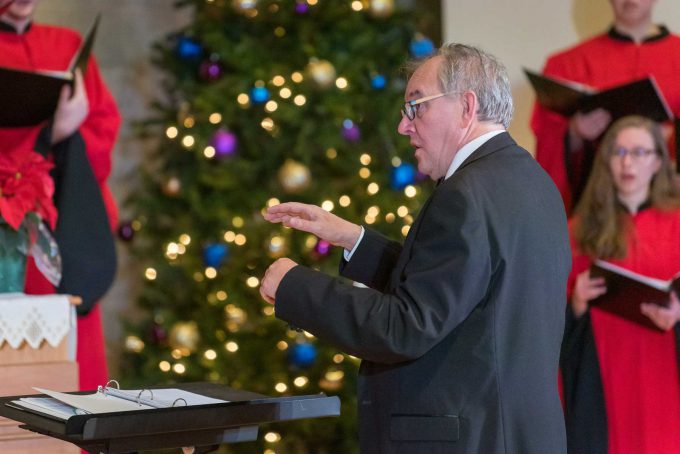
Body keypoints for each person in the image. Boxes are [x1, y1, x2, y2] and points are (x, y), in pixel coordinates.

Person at [260, 43, 571, 453]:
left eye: (416, 106)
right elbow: (460, 287)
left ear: (467, 106)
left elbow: (405, 328)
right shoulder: (530, 180)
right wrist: (355, 240)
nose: (403, 127)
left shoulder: (466, 194)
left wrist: (294, 286)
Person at [0, 0, 120, 391]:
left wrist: (70, 135)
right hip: (11, 240)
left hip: (68, 232)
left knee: (80, 383)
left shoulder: (65, 43)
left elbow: (103, 128)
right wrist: (52, 134)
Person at [561, 115, 680, 454]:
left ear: (658, 160)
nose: (628, 162)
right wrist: (576, 303)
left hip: (664, 362)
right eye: (619, 152)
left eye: (640, 152)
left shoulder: (677, 222)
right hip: (604, 371)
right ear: (606, 160)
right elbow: (548, 315)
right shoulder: (580, 230)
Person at [531, 0, 680, 213]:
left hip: (670, 208)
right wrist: (574, 133)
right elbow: (547, 146)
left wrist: (670, 137)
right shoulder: (567, 65)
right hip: (597, 212)